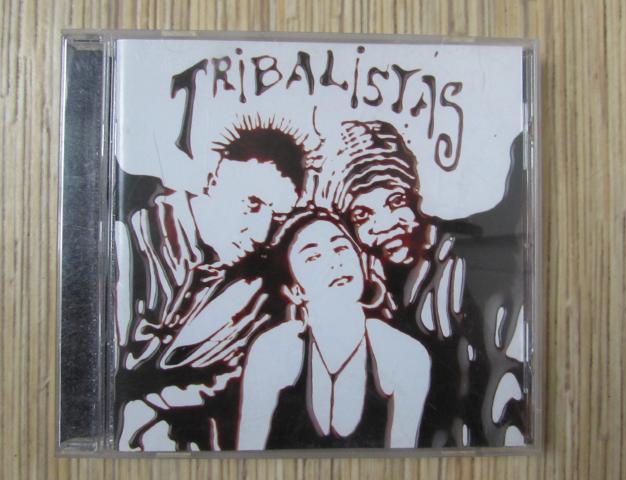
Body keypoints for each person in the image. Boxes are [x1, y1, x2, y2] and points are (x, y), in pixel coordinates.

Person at [321, 120, 527, 447]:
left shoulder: (461, 258)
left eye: (394, 202)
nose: (384, 224)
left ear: (414, 194)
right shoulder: (357, 287)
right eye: (362, 215)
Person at [115, 126, 307, 451]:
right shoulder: (131, 231)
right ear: (212, 178)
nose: (261, 233)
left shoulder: (256, 296)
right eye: (253, 203)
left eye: (276, 218)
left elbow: (223, 388)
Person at [236, 209, 431, 450]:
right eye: (313, 257)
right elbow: (247, 454)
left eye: (341, 248)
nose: (335, 262)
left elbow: (403, 461)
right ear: (295, 291)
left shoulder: (404, 353)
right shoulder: (273, 350)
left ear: (361, 263)